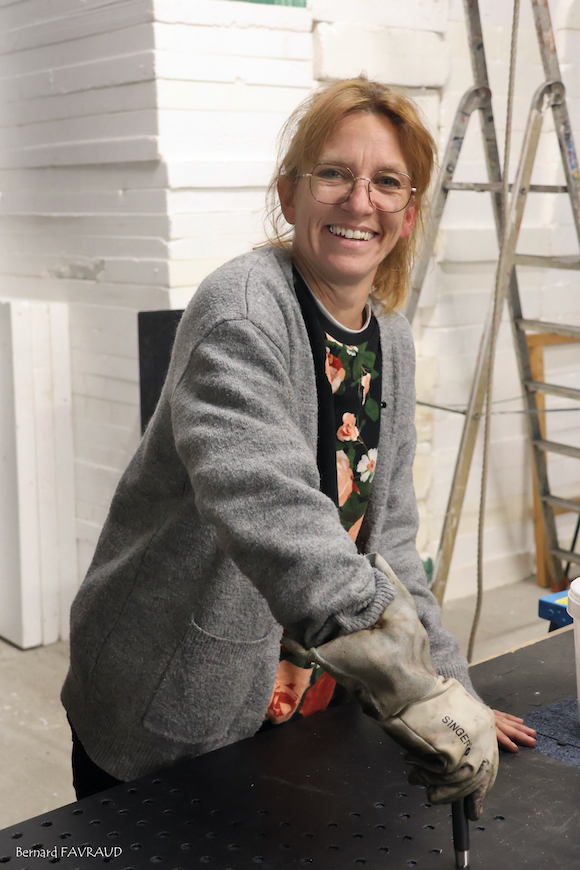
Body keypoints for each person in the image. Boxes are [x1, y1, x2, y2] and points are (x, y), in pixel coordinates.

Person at [61, 76, 535, 809]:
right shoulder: (242, 313)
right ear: (290, 195)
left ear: (408, 214)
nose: (360, 201)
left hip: (302, 696)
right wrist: (412, 687)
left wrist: (451, 688)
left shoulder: (390, 341)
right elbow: (272, 508)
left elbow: (391, 540)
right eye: (334, 174)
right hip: (169, 693)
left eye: (387, 182)